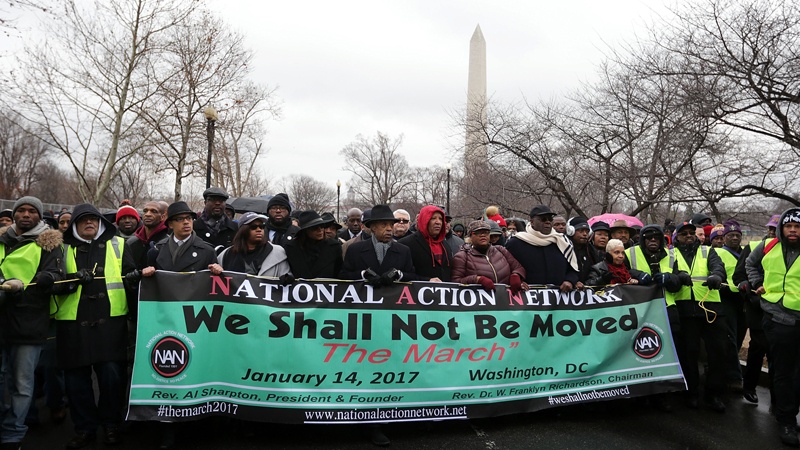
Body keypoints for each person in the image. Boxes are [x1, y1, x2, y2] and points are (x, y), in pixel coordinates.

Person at [50, 203, 138, 449]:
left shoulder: (119, 244)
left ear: (101, 223)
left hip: (110, 323)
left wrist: (133, 280)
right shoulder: (62, 248)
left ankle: (111, 425)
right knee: (76, 382)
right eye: (83, 220)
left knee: (112, 378)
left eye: (94, 219)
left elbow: (132, 277)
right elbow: (50, 282)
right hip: (72, 324)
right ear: (75, 224)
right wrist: (71, 282)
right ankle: (85, 428)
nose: (89, 223)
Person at [0, 197, 64, 449]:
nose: (26, 214)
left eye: (31, 211)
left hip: (29, 322)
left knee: (22, 383)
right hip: (1, 318)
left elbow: (57, 275)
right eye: (22, 210)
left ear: (39, 216)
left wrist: (45, 278)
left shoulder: (49, 244)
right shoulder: (2, 239)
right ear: (14, 215)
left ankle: (13, 433)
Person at [745, 207, 800, 446]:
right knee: (785, 371)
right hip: (776, 317)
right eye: (789, 226)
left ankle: (785, 411)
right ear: (781, 228)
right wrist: (757, 282)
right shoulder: (768, 246)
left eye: (797, 227)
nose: (793, 231)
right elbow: (750, 264)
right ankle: (786, 420)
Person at [670, 220, 727, 412]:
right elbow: (669, 273)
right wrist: (677, 276)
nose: (688, 236)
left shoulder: (707, 251)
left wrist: (717, 276)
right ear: (676, 236)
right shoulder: (671, 254)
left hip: (711, 308)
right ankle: (691, 392)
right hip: (685, 310)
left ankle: (714, 394)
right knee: (689, 353)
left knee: (718, 352)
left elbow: (718, 267)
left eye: (691, 233)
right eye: (683, 233)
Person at [506, 205, 578, 292]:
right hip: (528, 300)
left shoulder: (563, 241)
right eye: (543, 219)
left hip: (560, 300)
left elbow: (574, 269)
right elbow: (507, 270)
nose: (547, 222)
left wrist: (570, 281)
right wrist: (518, 281)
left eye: (550, 219)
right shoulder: (515, 243)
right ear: (532, 222)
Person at [341, 204, 417, 285]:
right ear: (373, 227)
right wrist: (363, 274)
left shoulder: (404, 251)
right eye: (384, 225)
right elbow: (343, 276)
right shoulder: (355, 249)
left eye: (391, 224)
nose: (389, 228)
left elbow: (412, 277)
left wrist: (398, 274)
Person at [143, 201, 218, 276]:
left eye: (189, 218)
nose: (186, 222)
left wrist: (218, 271)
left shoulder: (207, 251)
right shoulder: (157, 250)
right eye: (180, 219)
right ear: (170, 224)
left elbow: (214, 283)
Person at [451, 220, 527, 293]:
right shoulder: (462, 256)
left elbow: (518, 267)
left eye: (486, 232)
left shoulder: (500, 250)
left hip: (505, 301)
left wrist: (516, 275)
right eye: (478, 233)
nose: (483, 235)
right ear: (470, 236)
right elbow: (456, 282)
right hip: (479, 302)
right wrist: (477, 279)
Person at [715, 220, 746, 393]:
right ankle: (735, 377)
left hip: (744, 299)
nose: (734, 238)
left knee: (740, 336)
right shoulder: (718, 253)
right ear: (724, 238)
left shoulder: (747, 252)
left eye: (737, 235)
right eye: (730, 235)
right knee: (731, 338)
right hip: (726, 298)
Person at [217, 212, 292, 278]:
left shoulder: (277, 253)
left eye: (262, 226)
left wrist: (286, 279)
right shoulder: (226, 255)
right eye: (253, 227)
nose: (259, 230)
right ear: (243, 231)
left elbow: (286, 276)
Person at [399, 205, 452, 282]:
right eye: (433, 218)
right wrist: (427, 280)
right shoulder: (406, 244)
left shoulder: (446, 245)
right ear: (424, 220)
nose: (438, 222)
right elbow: (403, 275)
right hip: (417, 293)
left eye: (440, 219)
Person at [284, 211, 342, 279]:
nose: (320, 230)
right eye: (315, 228)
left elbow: (339, 272)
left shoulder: (334, 246)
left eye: (322, 226)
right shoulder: (292, 248)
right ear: (305, 231)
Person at [125, 201, 169, 271]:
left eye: (154, 211)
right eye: (145, 211)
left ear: (162, 217)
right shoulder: (131, 243)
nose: (148, 214)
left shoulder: (168, 243)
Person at [586, 239, 651, 286]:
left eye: (623, 253)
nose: (621, 256)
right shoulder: (597, 268)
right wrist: (602, 280)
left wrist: (634, 283)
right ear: (608, 254)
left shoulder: (627, 270)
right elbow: (588, 284)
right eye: (616, 252)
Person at [193, 187, 238, 252]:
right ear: (205, 202)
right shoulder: (193, 228)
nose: (217, 203)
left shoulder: (234, 228)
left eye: (221, 200)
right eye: (213, 200)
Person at [567, 217, 602, 288]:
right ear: (571, 231)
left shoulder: (591, 250)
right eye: (581, 231)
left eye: (587, 231)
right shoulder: (564, 248)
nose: (585, 234)